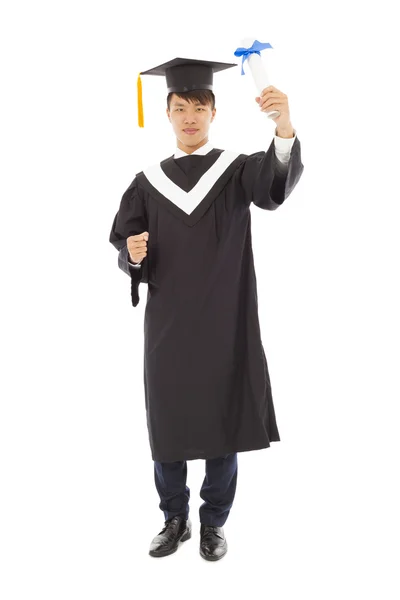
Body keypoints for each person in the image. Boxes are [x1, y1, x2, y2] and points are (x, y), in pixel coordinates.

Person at [109, 57, 304, 561]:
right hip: (168, 329)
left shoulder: (236, 170)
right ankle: (173, 517)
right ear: (167, 114)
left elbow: (273, 188)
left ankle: (213, 521)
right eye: (180, 107)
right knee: (169, 425)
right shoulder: (147, 181)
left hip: (225, 324)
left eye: (199, 106)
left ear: (214, 111)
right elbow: (126, 242)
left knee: (224, 422)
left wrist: (283, 126)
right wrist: (131, 254)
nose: (190, 116)